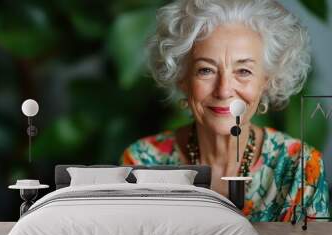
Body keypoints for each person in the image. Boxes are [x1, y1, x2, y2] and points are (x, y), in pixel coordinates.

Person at [120, 0, 330, 222]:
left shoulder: (299, 167)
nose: (223, 90)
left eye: (243, 71)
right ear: (182, 78)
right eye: (206, 70)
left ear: (267, 81)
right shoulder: (143, 162)